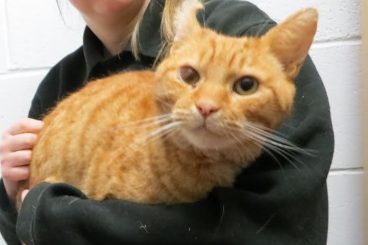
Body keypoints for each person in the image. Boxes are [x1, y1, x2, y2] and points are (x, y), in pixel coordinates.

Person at [0, 0, 334, 244]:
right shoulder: (61, 82)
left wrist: (45, 213)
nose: (207, 104)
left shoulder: (242, 29)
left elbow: (278, 229)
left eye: (244, 85)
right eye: (190, 76)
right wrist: (12, 193)